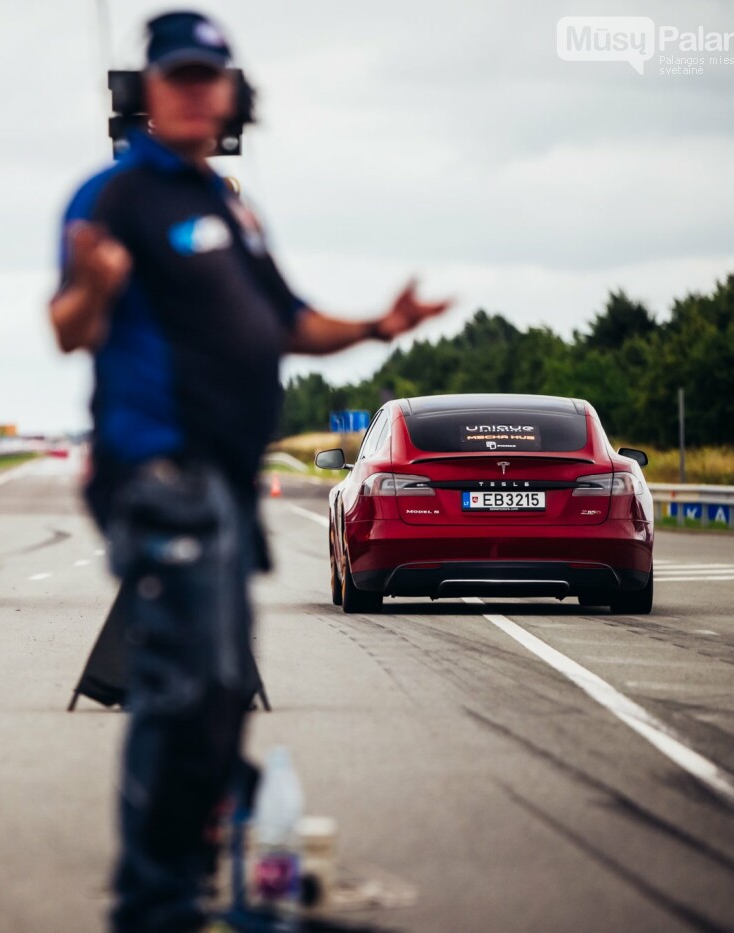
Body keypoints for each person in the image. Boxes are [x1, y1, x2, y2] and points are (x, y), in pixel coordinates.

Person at [48, 11, 450, 930]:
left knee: (222, 689)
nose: (194, 92)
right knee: (182, 688)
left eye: (208, 78)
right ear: (145, 94)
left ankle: (188, 883)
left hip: (225, 484)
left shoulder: (229, 205)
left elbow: (290, 320)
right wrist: (96, 288)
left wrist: (379, 328)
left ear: (234, 95)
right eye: (176, 77)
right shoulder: (109, 201)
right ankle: (153, 903)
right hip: (157, 474)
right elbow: (67, 327)